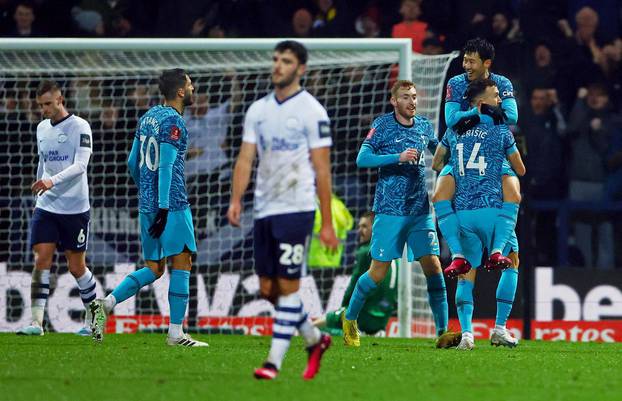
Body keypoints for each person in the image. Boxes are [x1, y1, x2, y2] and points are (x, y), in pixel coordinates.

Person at [226, 40, 339, 381]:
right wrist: (235, 200)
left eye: (285, 61)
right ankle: (315, 340)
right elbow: (246, 158)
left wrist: (327, 223)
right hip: (264, 208)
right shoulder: (257, 110)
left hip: (297, 208)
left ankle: (273, 363)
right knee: (268, 290)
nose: (277, 65)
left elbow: (322, 169)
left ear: (300, 68)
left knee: (288, 287)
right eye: (276, 59)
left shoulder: (312, 111)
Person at [89, 69, 207, 347]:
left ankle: (105, 304)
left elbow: (132, 162)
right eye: (190, 85)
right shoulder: (174, 122)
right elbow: (165, 165)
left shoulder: (148, 117)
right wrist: (164, 206)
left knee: (154, 267)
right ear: (180, 91)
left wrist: (148, 194)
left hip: (146, 204)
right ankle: (176, 334)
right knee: (183, 262)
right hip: (172, 205)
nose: (193, 89)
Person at [342, 80, 459, 348]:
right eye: (406, 97)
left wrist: (450, 157)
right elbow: (362, 159)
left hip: (419, 210)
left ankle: (441, 331)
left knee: (433, 266)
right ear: (394, 101)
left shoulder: (423, 126)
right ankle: (350, 320)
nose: (412, 102)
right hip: (389, 211)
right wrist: (397, 157)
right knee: (377, 273)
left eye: (414, 97)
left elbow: (438, 155)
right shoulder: (382, 125)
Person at [437, 79, 525, 350]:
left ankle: (466, 335)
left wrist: (457, 171)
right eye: (495, 96)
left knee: (467, 274)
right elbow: (520, 169)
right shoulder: (500, 130)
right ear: (482, 102)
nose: (500, 100)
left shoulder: (453, 131)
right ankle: (499, 328)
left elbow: (438, 162)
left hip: (463, 214)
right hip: (494, 212)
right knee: (512, 261)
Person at [433, 37, 521, 276]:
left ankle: (498, 249)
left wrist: (472, 116)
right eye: (464, 60)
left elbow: (512, 116)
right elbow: (451, 120)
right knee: (439, 194)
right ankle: (457, 255)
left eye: (471, 61)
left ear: (487, 63)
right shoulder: (455, 83)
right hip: (460, 152)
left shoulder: (501, 83)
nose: (466, 66)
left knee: (514, 192)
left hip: (492, 151)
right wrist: (480, 111)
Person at [16, 80, 96, 336]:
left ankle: (94, 318)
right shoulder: (41, 128)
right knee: (42, 259)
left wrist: (51, 181)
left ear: (61, 100)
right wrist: (41, 191)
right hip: (47, 205)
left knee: (76, 267)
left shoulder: (80, 126)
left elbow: (80, 165)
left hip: (75, 207)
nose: (44, 110)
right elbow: (44, 162)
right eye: (41, 105)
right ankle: (36, 323)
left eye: (48, 104)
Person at [313, 212, 398, 338]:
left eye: (364, 227)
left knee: (319, 328)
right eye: (359, 227)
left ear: (375, 228)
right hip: (383, 318)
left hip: (363, 315)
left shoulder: (365, 252)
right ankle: (371, 333)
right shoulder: (393, 255)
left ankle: (303, 331)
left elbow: (354, 284)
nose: (359, 231)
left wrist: (345, 306)